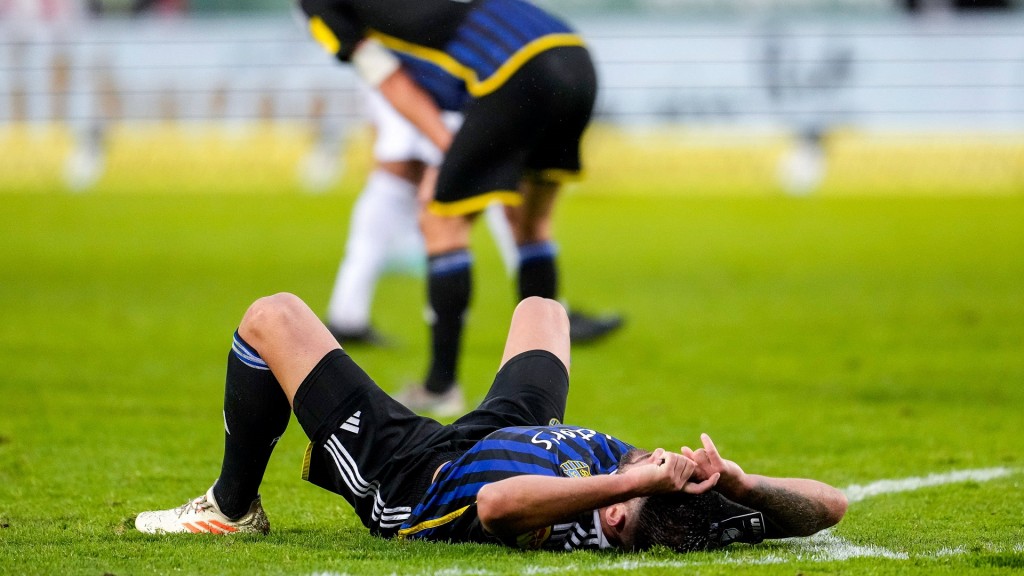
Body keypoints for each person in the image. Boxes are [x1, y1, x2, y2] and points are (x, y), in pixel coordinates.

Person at [135, 294, 847, 552]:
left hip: (419, 470)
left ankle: (232, 507)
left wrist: (620, 482)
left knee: (272, 318)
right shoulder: (685, 512)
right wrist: (744, 485)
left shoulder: (581, 513)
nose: (665, 455)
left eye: (651, 472)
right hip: (508, 427)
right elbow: (830, 505)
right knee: (543, 310)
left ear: (617, 520)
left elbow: (497, 504)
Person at [297, 0, 622, 414]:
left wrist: (448, 152)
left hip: (513, 72)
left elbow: (390, 80)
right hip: (573, 56)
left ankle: (440, 387)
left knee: (440, 220)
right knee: (531, 222)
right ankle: (540, 383)